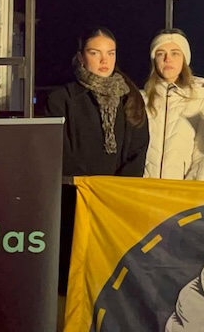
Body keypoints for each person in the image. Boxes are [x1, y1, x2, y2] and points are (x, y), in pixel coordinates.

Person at [44, 27, 148, 301]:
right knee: (72, 281)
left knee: (111, 281)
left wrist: (116, 191)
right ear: (81, 57)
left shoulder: (131, 97)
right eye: (95, 52)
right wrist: (90, 189)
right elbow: (58, 150)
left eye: (110, 53)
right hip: (76, 200)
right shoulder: (62, 98)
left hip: (117, 203)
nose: (104, 60)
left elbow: (138, 149)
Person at [142, 28, 204, 180]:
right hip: (144, 190)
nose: (167, 59)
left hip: (181, 191)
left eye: (175, 53)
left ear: (184, 58)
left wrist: (190, 190)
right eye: (160, 53)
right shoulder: (141, 100)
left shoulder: (200, 102)